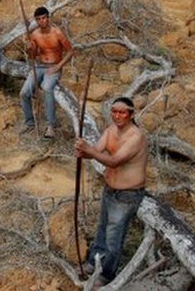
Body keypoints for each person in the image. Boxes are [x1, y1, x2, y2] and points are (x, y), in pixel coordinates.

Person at [75, 97, 148, 286]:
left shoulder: (135, 137)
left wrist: (89, 152)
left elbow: (114, 161)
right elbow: (97, 149)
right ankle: (93, 262)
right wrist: (83, 150)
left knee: (114, 236)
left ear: (131, 114)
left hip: (127, 195)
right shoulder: (110, 130)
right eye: (114, 111)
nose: (117, 115)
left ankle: (106, 274)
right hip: (110, 190)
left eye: (122, 112)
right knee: (103, 230)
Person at [20, 6, 74, 138]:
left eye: (44, 18)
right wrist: (29, 49)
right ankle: (29, 123)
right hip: (39, 66)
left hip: (54, 67)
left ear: (48, 18)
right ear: (36, 21)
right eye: (38, 19)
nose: (42, 21)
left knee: (46, 88)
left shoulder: (57, 33)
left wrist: (58, 66)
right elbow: (33, 56)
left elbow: (71, 51)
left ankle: (51, 125)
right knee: (24, 92)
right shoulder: (35, 34)